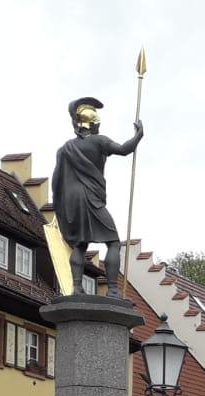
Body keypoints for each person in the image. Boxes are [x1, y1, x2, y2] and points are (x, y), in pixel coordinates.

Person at [51, 97, 144, 298]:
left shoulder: (64, 149)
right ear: (92, 125)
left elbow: (56, 180)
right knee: (113, 241)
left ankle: (76, 287)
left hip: (71, 201)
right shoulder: (100, 141)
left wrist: (59, 206)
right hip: (90, 197)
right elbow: (123, 150)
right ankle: (112, 289)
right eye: (98, 124)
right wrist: (138, 135)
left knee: (80, 244)